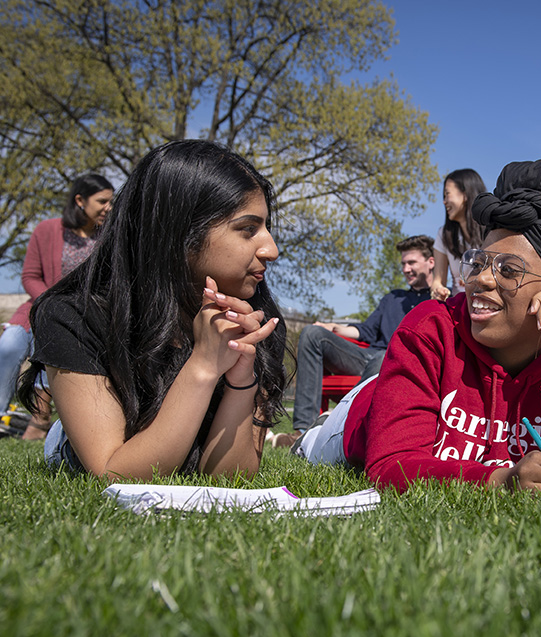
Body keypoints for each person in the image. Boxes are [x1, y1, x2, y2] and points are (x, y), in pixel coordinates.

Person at [295, 157, 541, 494]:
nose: (481, 279)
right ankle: (303, 433)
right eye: (479, 262)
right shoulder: (431, 328)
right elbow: (390, 464)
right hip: (360, 420)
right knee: (312, 446)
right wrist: (502, 480)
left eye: (508, 270)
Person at [18, 140, 288, 480]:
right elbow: (114, 473)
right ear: (179, 233)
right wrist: (203, 366)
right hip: (84, 445)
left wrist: (240, 379)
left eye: (266, 228)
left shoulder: (258, 321)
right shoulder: (74, 316)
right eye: (248, 229)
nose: (271, 249)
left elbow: (228, 479)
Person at [272, 234, 435, 448]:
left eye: (411, 262)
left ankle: (342, 425)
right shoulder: (392, 298)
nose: (405, 269)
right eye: (403, 263)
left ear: (431, 262)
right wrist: (333, 328)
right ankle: (303, 431)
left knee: (387, 355)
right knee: (312, 334)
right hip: (366, 357)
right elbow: (366, 330)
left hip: (395, 362)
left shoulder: (440, 301)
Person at [0, 173, 114, 440]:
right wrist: (50, 304)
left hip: (84, 317)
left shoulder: (108, 237)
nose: (109, 207)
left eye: (111, 201)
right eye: (102, 201)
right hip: (36, 310)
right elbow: (30, 276)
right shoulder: (47, 230)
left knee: (55, 342)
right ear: (80, 200)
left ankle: (42, 420)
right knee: (9, 345)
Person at [430, 169, 486, 301]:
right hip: (459, 305)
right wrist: (438, 290)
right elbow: (437, 281)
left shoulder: (493, 230)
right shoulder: (443, 235)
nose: (444, 202)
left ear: (465, 195)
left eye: (447, 194)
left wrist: (473, 280)